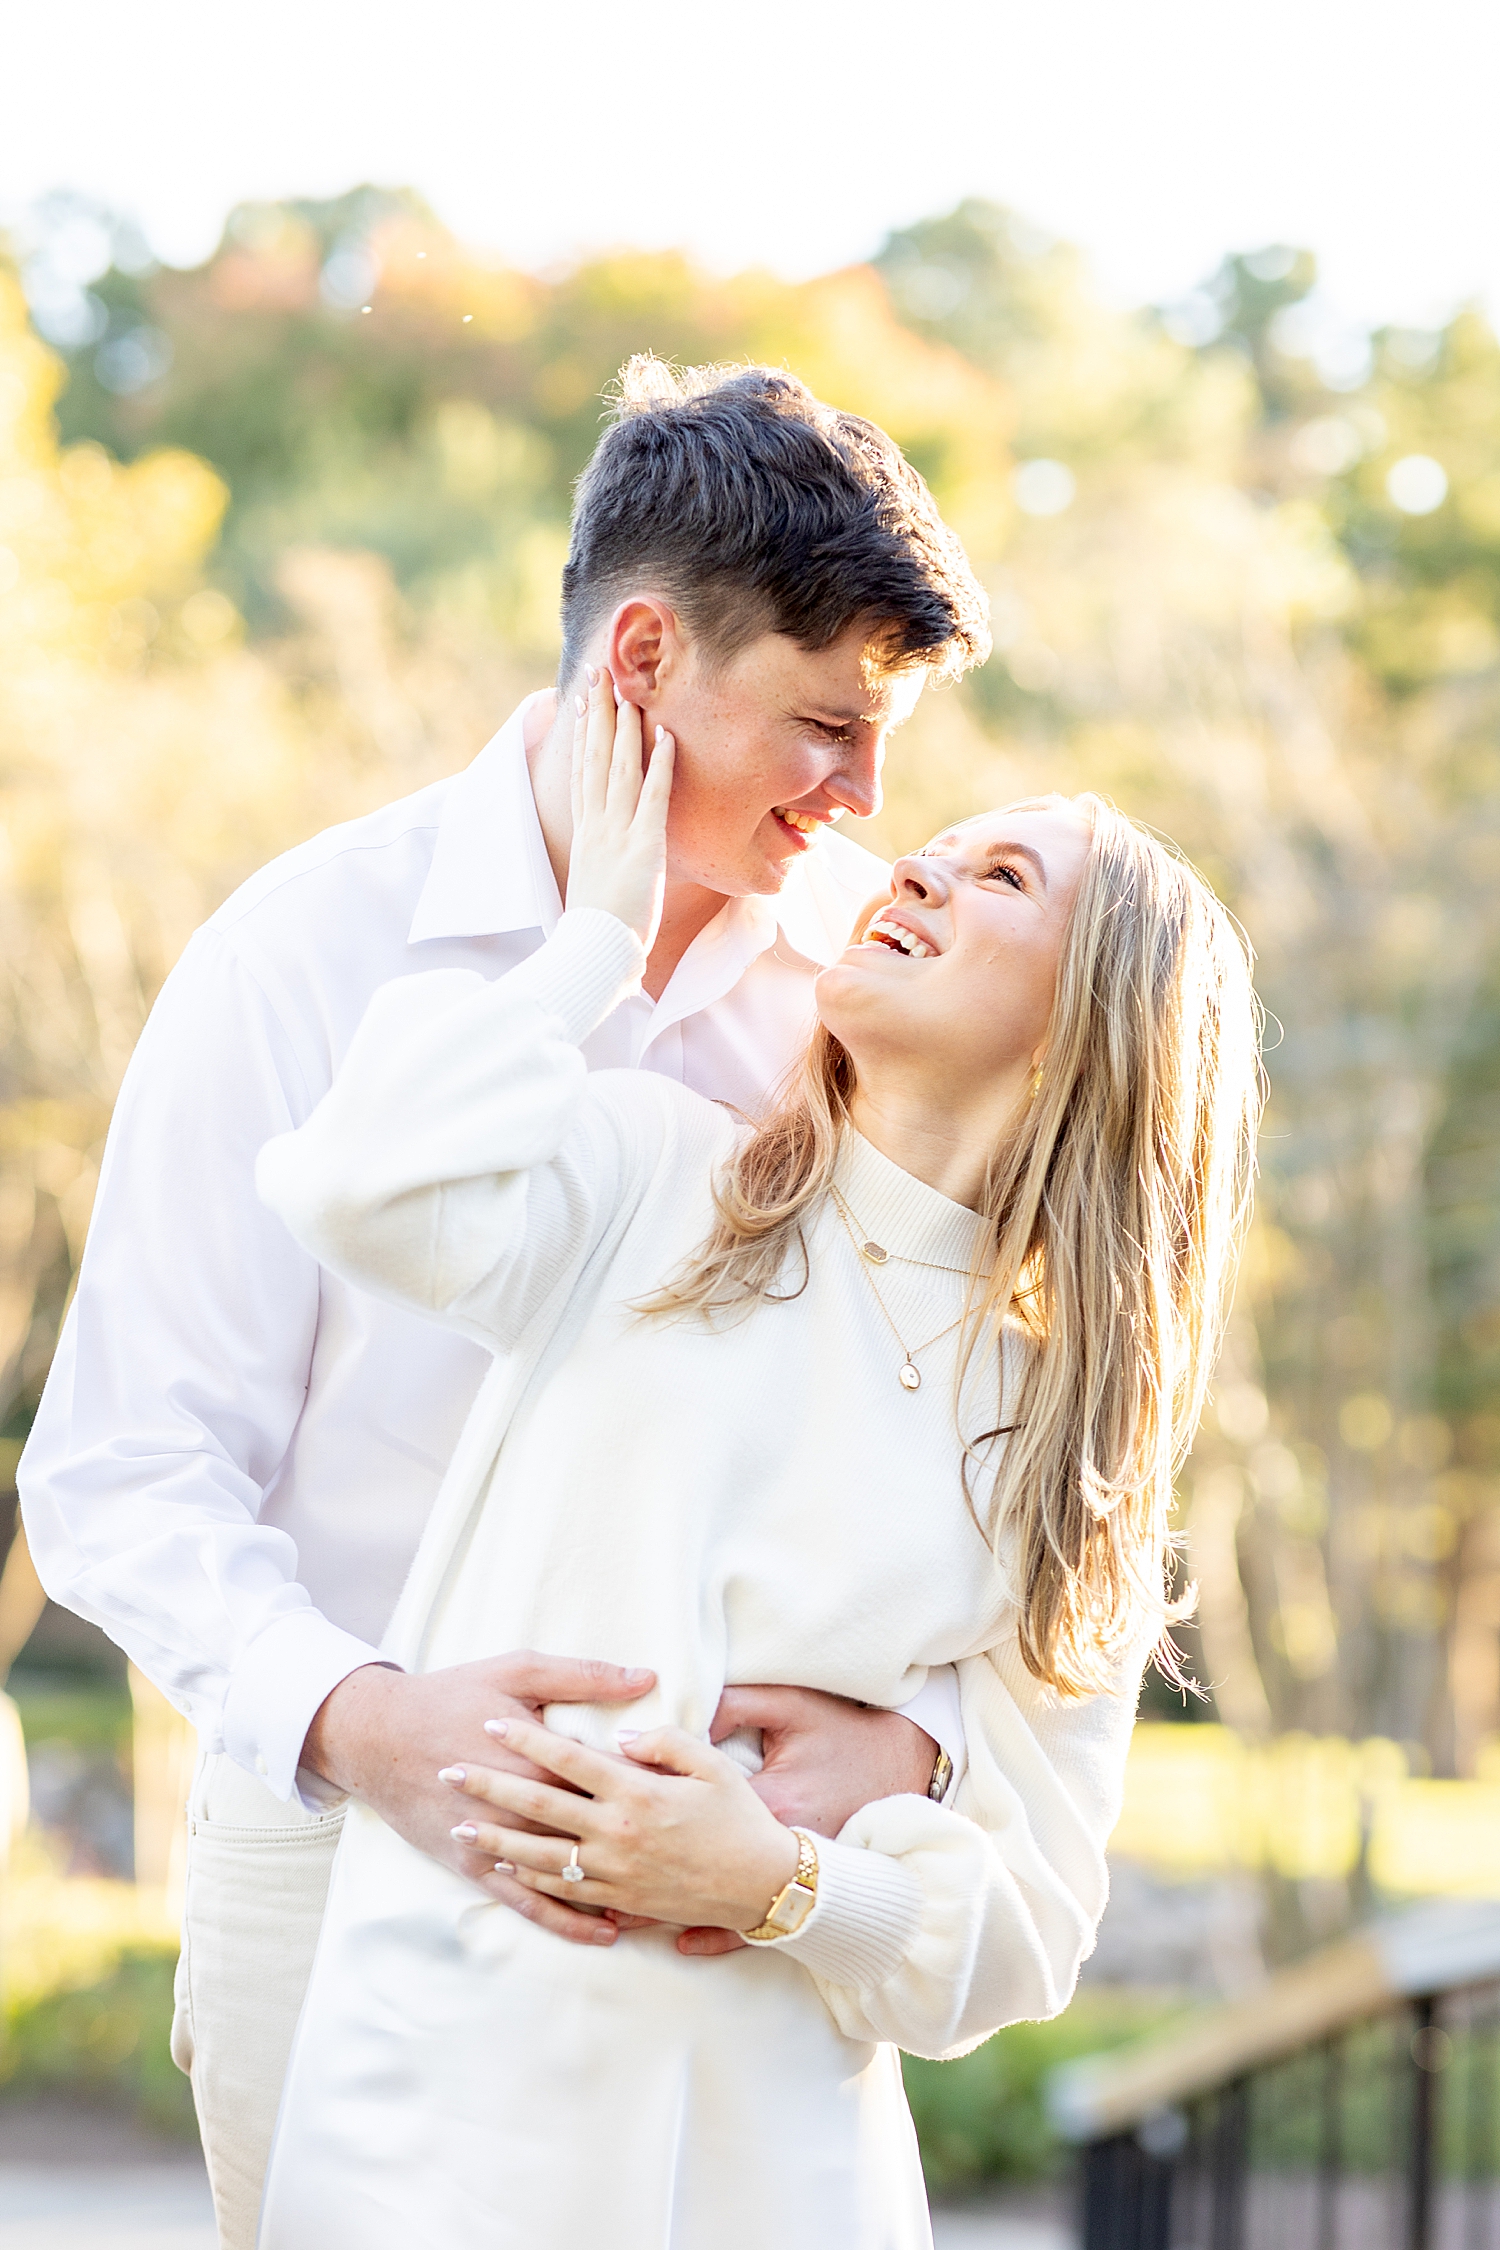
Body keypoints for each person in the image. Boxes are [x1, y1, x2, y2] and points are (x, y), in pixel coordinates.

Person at [17, 360, 993, 2246]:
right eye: (824, 727)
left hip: (720, 1903)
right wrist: (377, 1727)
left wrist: (919, 1742)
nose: (870, 799)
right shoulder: (299, 954)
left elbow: (976, 1421)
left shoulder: (869, 995)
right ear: (644, 661)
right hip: (331, 1853)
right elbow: (122, 1473)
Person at [251, 675, 1262, 2246]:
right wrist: (592, 937)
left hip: (771, 2165)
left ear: (1098, 1025)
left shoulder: (1062, 1438)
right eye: (941, 846)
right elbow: (355, 1184)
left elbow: (1032, 1926)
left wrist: (778, 1878)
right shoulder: (654, 1174)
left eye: (1005, 877)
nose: (917, 865)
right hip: (442, 2108)